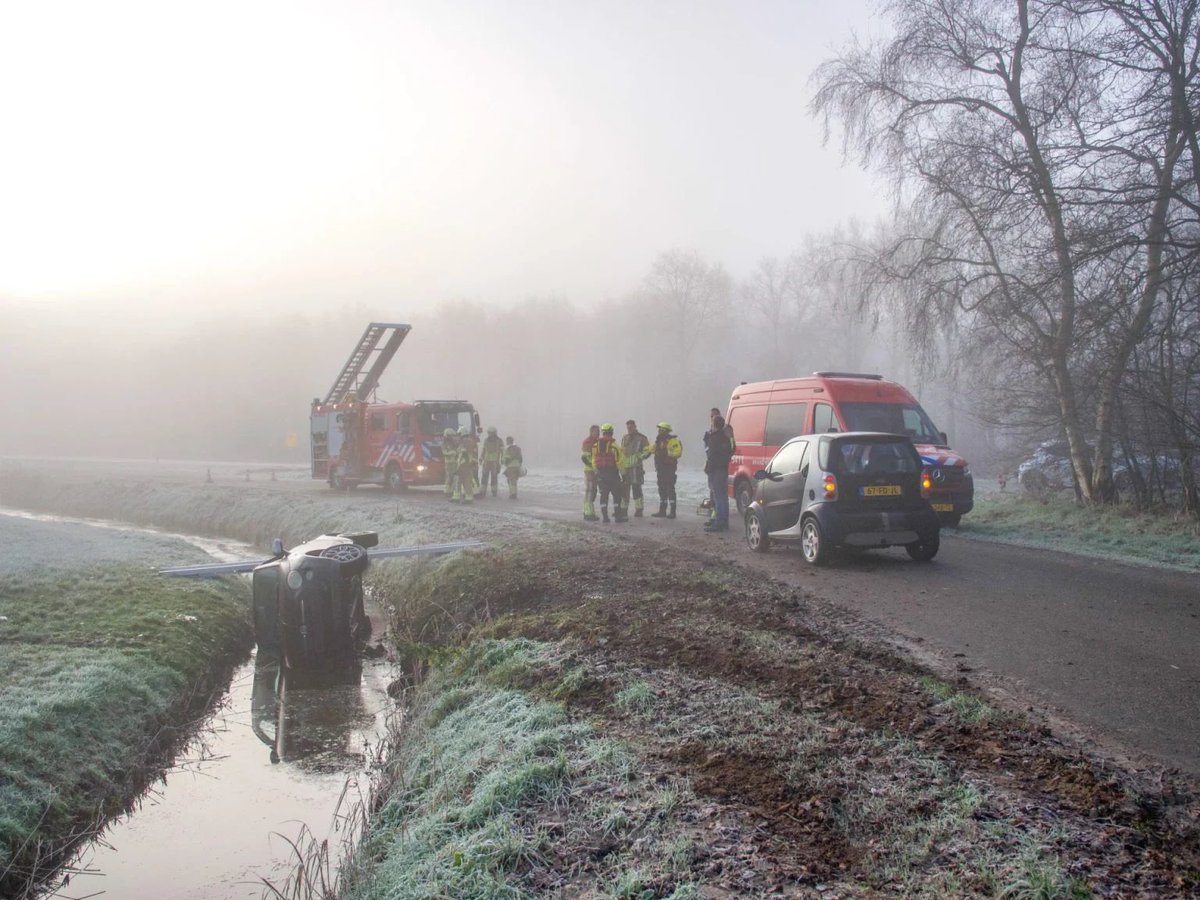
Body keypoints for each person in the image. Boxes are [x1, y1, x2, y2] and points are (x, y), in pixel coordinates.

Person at [704, 414, 734, 531]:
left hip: (716, 470)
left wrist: (708, 469)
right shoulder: (726, 438)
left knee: (718, 497)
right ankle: (724, 522)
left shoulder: (714, 438)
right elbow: (730, 450)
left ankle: (719, 523)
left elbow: (711, 456)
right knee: (723, 497)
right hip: (723, 469)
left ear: (714, 425)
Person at [591, 423, 627, 522]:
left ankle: (605, 517)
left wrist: (596, 472)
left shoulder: (595, 446)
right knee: (617, 495)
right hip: (612, 474)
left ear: (603, 433)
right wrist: (623, 474)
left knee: (604, 496)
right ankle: (618, 517)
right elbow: (619, 462)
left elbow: (593, 460)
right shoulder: (615, 446)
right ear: (611, 432)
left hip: (601, 474)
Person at [649, 422, 683, 518]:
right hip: (660, 468)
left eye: (660, 430)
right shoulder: (659, 441)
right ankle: (662, 511)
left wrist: (667, 453)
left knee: (670, 489)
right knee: (662, 490)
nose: (659, 432)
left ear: (664, 431)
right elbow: (651, 449)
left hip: (669, 469)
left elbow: (678, 452)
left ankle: (672, 512)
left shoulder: (673, 441)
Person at [619, 419, 652, 517]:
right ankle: (623, 509)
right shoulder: (624, 438)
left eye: (631, 427)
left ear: (635, 427)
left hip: (636, 468)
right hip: (625, 469)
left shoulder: (642, 438)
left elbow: (647, 451)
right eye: (628, 428)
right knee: (624, 490)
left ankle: (639, 509)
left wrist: (639, 457)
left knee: (636, 489)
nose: (629, 429)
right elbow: (621, 452)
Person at [580, 424, 601, 521]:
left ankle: (589, 511)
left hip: (595, 470)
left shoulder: (598, 442)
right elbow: (585, 458)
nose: (598, 433)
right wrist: (594, 467)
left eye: (599, 431)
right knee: (590, 491)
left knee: (593, 491)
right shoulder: (587, 442)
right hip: (589, 470)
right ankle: (588, 513)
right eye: (596, 431)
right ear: (591, 432)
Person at [479, 426, 505, 497]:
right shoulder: (486, 440)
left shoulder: (499, 441)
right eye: (489, 433)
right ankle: (483, 491)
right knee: (484, 476)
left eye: (490, 433)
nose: (489, 434)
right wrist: (481, 458)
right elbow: (484, 450)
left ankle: (494, 491)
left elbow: (503, 451)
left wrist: (503, 459)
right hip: (486, 462)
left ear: (494, 433)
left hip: (495, 462)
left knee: (494, 477)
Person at [456, 426, 479, 503]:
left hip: (465, 464)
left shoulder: (465, 442)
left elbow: (463, 452)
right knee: (465, 481)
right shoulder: (471, 441)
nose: (458, 436)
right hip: (466, 464)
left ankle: (468, 498)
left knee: (466, 481)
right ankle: (467, 496)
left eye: (459, 434)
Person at [442, 427, 459, 500]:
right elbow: (444, 452)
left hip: (455, 462)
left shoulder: (455, 443)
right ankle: (447, 491)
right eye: (450, 436)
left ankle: (452, 490)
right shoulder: (444, 443)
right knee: (449, 477)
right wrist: (451, 453)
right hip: (448, 463)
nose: (452, 437)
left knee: (454, 477)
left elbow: (458, 449)